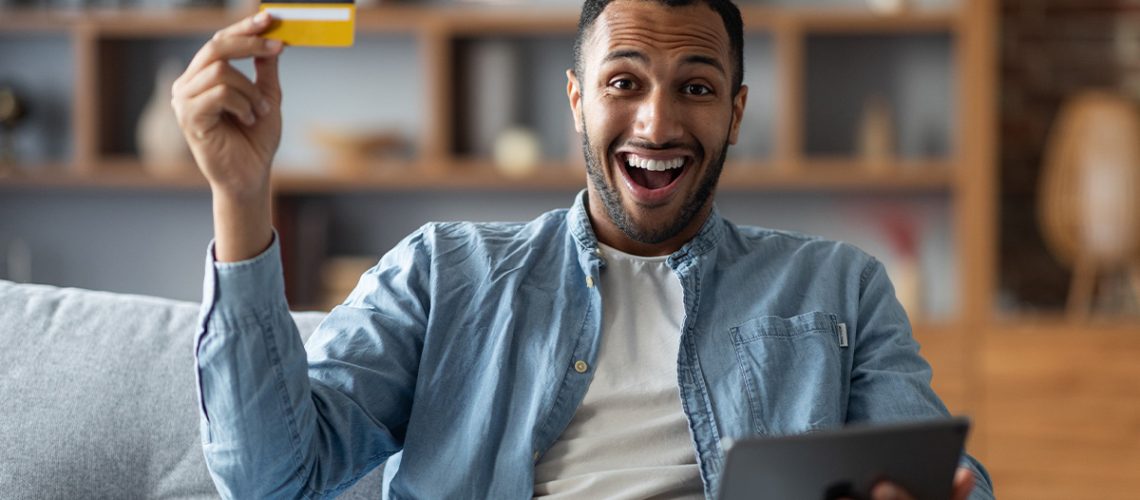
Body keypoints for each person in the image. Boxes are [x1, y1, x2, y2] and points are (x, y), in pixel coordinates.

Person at [173, 0, 996, 498]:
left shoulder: (840, 287)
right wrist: (241, 199)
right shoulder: (441, 273)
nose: (658, 124)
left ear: (737, 113)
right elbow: (270, 478)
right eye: (624, 82)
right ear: (576, 98)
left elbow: (947, 481)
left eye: (697, 88)